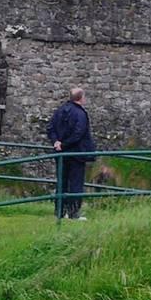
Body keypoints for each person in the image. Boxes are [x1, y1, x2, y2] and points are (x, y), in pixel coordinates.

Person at [46, 86, 95, 220]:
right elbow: (78, 133)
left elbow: (50, 128)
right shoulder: (80, 114)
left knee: (61, 182)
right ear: (81, 98)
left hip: (61, 153)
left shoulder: (59, 111)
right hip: (76, 153)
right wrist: (64, 143)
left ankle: (60, 212)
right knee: (75, 183)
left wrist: (56, 142)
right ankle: (74, 213)